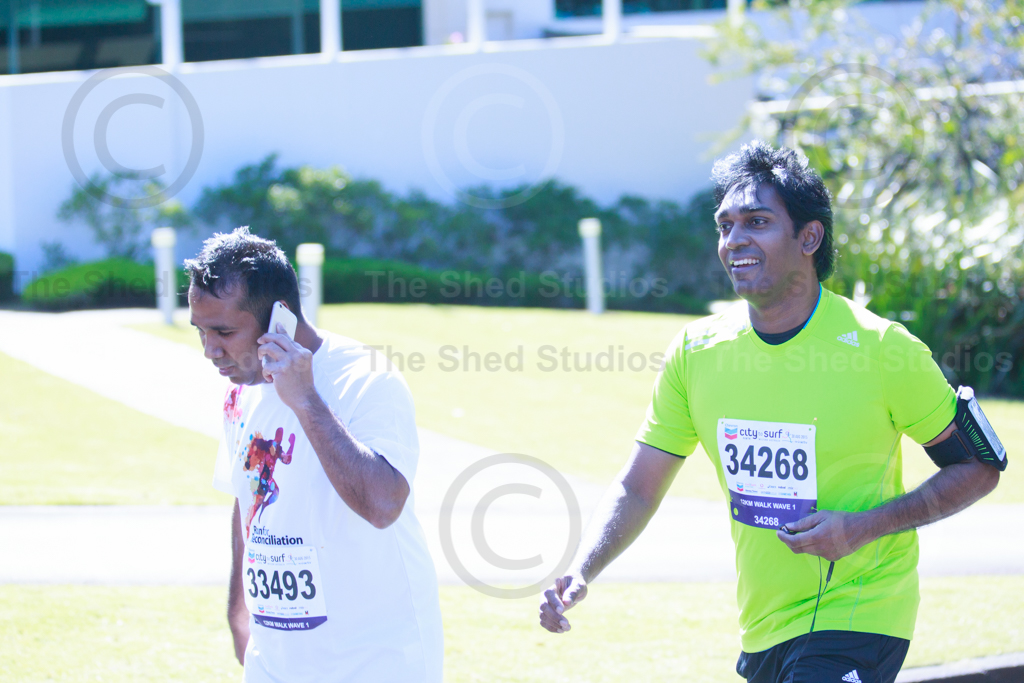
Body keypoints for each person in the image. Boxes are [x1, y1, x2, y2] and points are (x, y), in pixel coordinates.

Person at [538, 141, 1002, 683]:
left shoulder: (882, 349)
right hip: (763, 628)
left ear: (809, 237)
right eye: (725, 226)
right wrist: (583, 568)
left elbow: (978, 466)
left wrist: (862, 528)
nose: (735, 240)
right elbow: (639, 487)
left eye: (756, 222)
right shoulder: (697, 351)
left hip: (861, 612)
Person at [186, 226, 443, 683]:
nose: (210, 350)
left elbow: (382, 505)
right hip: (277, 656)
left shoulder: (365, 377)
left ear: (278, 318)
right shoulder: (240, 389)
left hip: (374, 656)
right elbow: (249, 501)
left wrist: (304, 399)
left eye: (223, 331)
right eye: (201, 331)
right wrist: (239, 610)